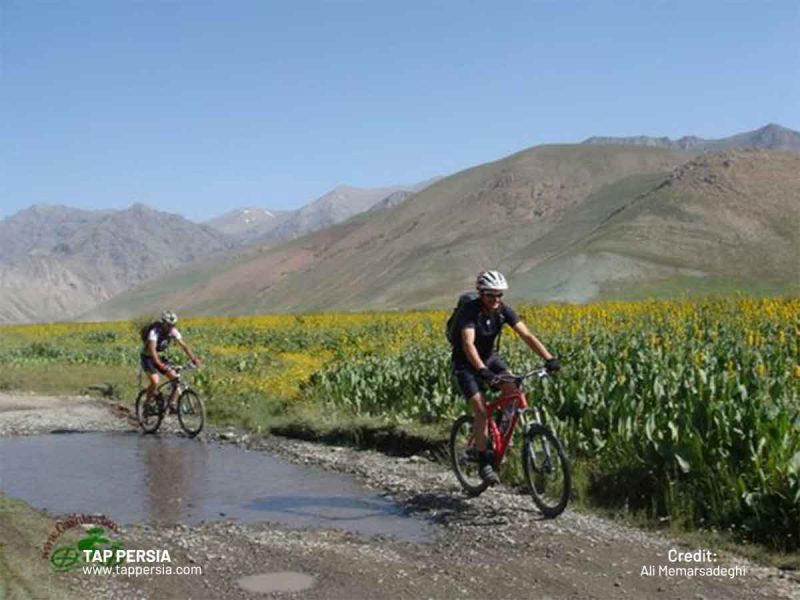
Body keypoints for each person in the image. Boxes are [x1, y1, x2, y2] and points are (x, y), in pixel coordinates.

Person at [451, 271, 560, 485]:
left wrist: (549, 358)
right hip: (466, 363)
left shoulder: (502, 311)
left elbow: (527, 335)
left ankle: (499, 434)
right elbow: (468, 344)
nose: (496, 300)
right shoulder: (469, 312)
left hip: (491, 359)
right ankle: (483, 461)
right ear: (481, 294)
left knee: (514, 391)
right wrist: (482, 371)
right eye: (491, 295)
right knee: (481, 410)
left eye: (499, 295)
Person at [140, 311, 201, 412]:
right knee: (155, 381)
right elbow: (152, 350)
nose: (171, 327)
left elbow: (184, 346)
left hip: (160, 357)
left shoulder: (173, 331)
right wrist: (159, 363)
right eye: (169, 325)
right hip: (148, 358)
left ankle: (171, 404)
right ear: (163, 323)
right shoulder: (154, 332)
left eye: (173, 325)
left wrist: (193, 358)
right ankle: (147, 404)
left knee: (175, 378)